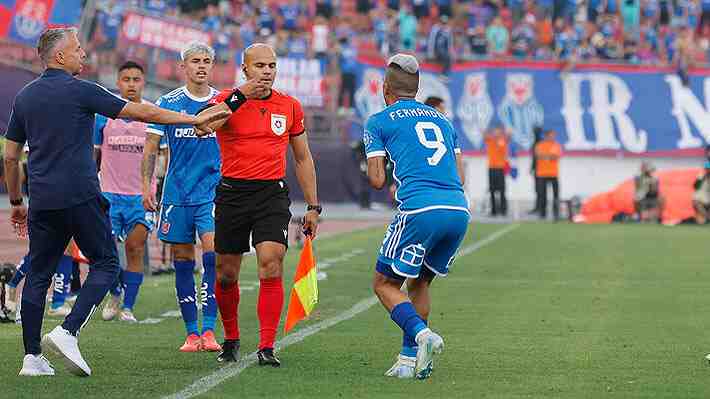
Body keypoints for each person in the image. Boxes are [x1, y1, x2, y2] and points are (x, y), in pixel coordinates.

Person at [3, 27, 226, 377]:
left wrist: (16, 200)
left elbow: (12, 156)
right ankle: (68, 330)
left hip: (42, 199)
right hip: (80, 196)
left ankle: (32, 358)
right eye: (78, 49)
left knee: (39, 275)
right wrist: (192, 118)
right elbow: (144, 113)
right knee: (107, 264)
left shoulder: (26, 97)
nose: (84, 55)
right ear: (59, 56)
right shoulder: (83, 91)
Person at [195, 43, 320, 366]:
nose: (267, 72)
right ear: (245, 69)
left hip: (271, 194)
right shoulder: (226, 100)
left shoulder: (289, 106)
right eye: (260, 66)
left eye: (272, 66)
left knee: (271, 260)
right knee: (226, 273)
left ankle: (267, 346)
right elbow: (202, 124)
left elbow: (303, 157)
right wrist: (240, 96)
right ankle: (232, 339)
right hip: (232, 194)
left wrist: (313, 206)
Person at [364, 54, 469, 380]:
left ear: (385, 89)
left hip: (419, 209)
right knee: (420, 281)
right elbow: (461, 175)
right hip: (457, 209)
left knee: (384, 283)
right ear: (417, 88)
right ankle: (411, 360)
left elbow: (377, 180)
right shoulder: (443, 120)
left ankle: (423, 336)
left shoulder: (379, 121)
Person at [141, 42, 222, 353]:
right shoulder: (168, 102)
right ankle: (191, 333)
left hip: (212, 194)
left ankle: (210, 329)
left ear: (212, 66)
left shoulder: (221, 102)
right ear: (183, 67)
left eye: (206, 61)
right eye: (195, 61)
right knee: (184, 261)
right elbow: (150, 148)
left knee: (213, 255)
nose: (201, 66)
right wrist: (146, 186)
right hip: (176, 194)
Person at [94, 61, 156, 323]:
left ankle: (128, 306)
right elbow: (95, 155)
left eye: (136, 79)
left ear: (143, 82)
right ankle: (116, 291)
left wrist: (152, 190)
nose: (131, 84)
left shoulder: (153, 113)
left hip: (141, 197)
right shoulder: (104, 115)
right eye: (126, 79)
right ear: (118, 82)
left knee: (134, 248)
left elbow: (160, 157)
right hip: (108, 195)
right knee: (102, 251)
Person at [534, 130, 562, 220]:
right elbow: (538, 155)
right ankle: (542, 213)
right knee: (542, 194)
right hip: (542, 174)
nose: (553, 137)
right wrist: (549, 156)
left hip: (553, 173)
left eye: (554, 135)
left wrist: (546, 156)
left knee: (556, 194)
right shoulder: (540, 145)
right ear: (546, 136)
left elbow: (556, 156)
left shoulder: (556, 145)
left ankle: (556, 212)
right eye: (551, 135)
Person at [484, 126, 509, 217]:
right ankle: (493, 210)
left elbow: (508, 137)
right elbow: (484, 135)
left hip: (500, 168)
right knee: (492, 190)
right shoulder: (490, 140)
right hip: (491, 168)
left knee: (502, 190)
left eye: (498, 131)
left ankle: (503, 210)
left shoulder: (503, 141)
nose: (496, 133)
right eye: (495, 131)